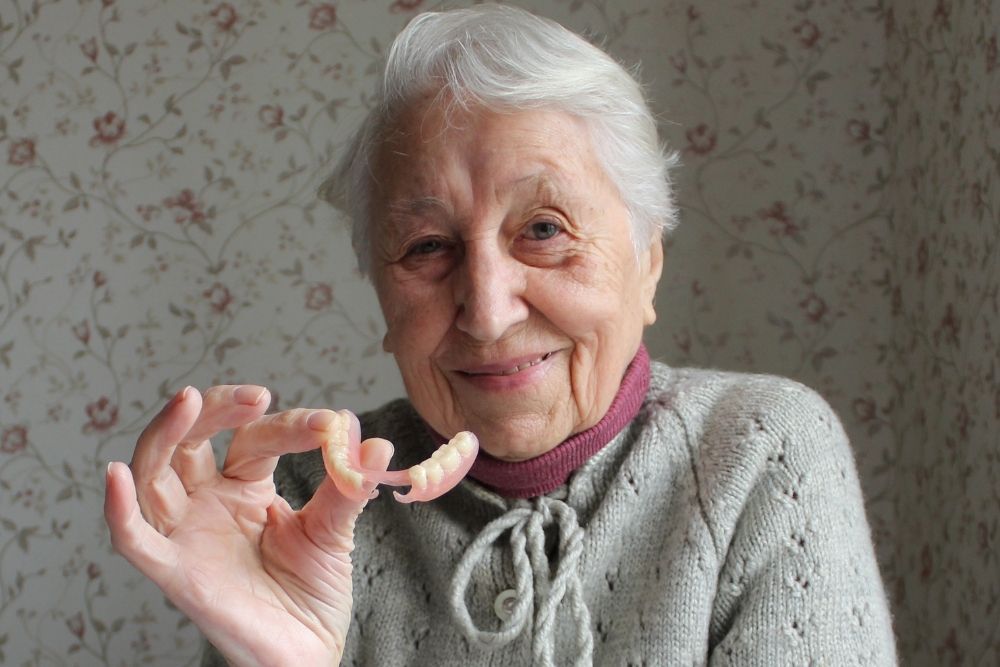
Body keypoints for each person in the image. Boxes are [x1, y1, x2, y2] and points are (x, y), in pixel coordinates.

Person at [104, 5, 897, 665]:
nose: (486, 309)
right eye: (427, 247)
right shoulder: (302, 502)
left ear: (647, 262)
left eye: (544, 228)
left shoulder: (762, 453)